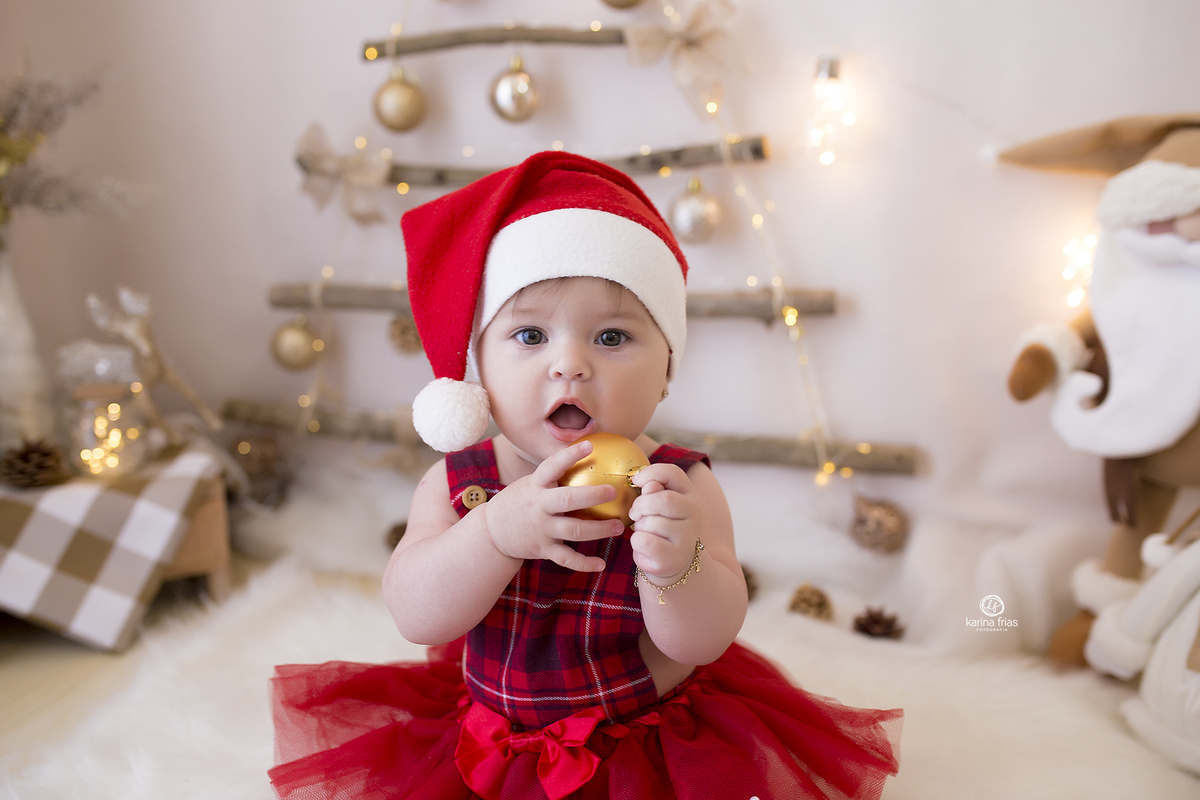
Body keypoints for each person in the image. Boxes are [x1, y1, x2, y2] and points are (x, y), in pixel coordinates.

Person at [268, 151, 902, 800]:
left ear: (666, 370)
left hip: (644, 743)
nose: (569, 364)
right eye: (530, 336)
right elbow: (417, 616)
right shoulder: (461, 485)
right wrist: (493, 533)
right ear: (479, 367)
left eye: (611, 338)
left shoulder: (675, 486)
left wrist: (676, 567)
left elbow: (704, 641)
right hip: (494, 740)